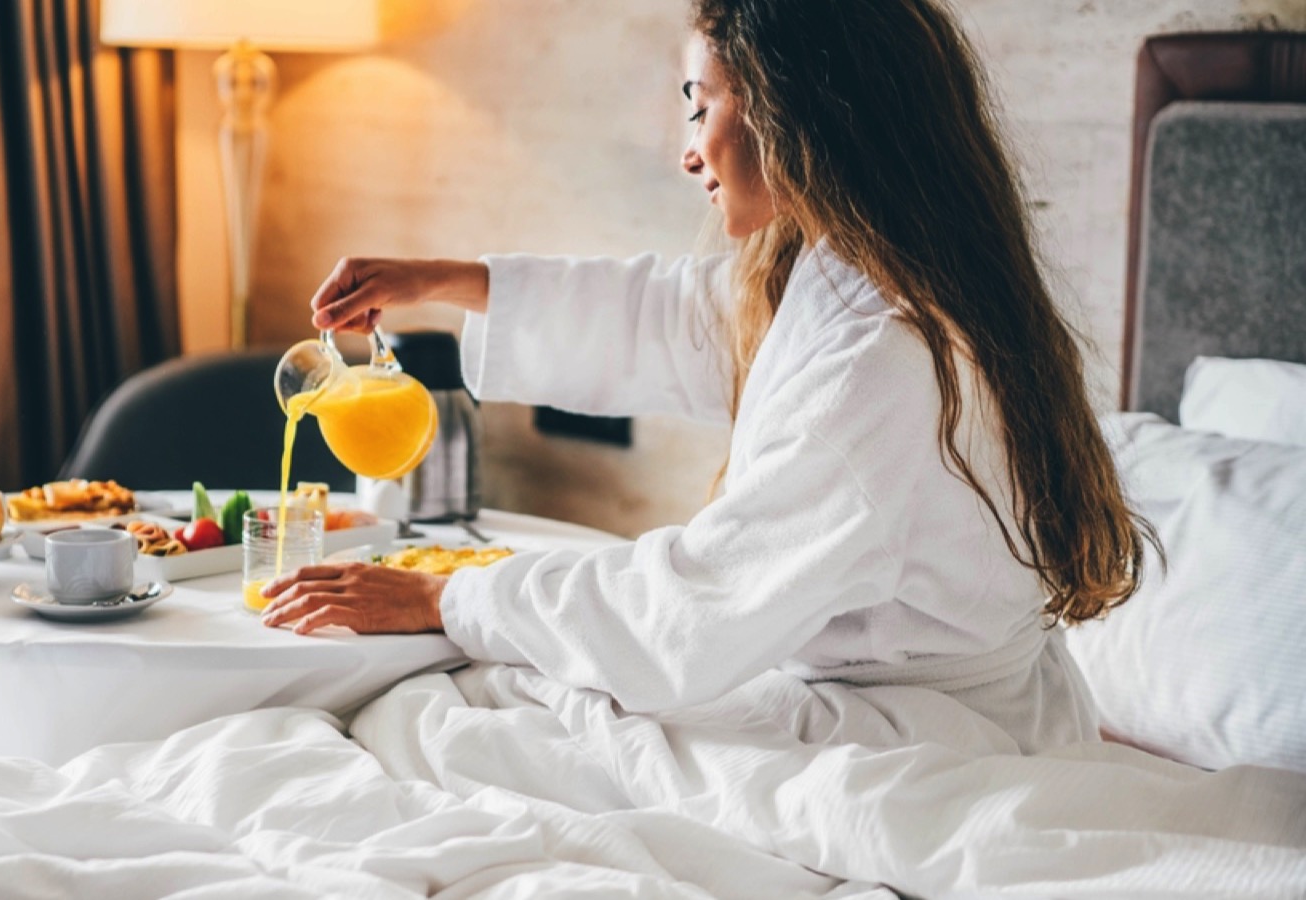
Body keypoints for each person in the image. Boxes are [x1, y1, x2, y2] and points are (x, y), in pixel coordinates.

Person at [259, 0, 1156, 753]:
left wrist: (448, 597)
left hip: (922, 746)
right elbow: (679, 316)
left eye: (700, 106)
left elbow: (688, 614)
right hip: (915, 707)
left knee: (447, 729)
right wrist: (443, 282)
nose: (689, 151)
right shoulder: (862, 272)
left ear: (796, 113)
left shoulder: (882, 363)